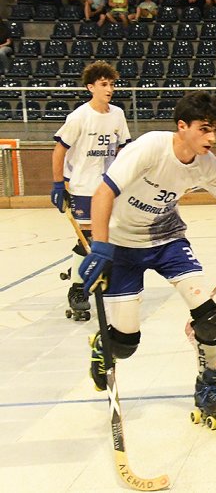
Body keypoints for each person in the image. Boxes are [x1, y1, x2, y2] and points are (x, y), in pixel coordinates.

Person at [78, 92, 216, 428]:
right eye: (204, 129)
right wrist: (100, 247)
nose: (213, 138)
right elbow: (104, 193)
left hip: (167, 240)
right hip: (122, 246)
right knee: (126, 344)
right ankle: (105, 346)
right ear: (182, 126)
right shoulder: (151, 147)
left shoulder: (208, 165)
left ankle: (207, 387)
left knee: (210, 319)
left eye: (215, 129)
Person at [50, 61, 132, 320]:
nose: (110, 89)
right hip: (83, 185)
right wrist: (57, 184)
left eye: (112, 84)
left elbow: (123, 150)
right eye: (104, 84)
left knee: (109, 237)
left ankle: (91, 273)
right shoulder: (79, 117)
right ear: (90, 87)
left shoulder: (118, 114)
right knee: (88, 241)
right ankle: (77, 289)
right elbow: (60, 150)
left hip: (109, 186)